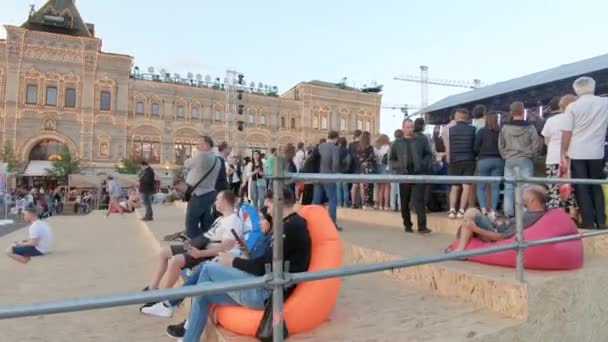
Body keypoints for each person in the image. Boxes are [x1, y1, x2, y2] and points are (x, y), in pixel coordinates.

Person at [168, 187, 311, 341]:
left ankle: (174, 304)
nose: (268, 212)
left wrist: (233, 261)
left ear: (279, 203)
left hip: (266, 292)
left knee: (209, 267)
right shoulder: (287, 225)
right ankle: (188, 336)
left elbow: (263, 268)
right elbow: (267, 263)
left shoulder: (289, 228)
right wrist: (245, 253)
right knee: (202, 291)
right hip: (263, 284)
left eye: (268, 206)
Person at [143, 190, 242, 295]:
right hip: (201, 246)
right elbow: (209, 236)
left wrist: (200, 253)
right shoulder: (221, 218)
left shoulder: (233, 221)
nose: (215, 202)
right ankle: (153, 287)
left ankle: (164, 296)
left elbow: (225, 247)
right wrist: (193, 243)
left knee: (175, 261)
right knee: (164, 252)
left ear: (224, 201)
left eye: (217, 199)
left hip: (208, 253)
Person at [561, 77, 608, 229]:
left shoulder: (572, 107)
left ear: (576, 90)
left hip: (577, 151)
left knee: (581, 187)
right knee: (596, 185)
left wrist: (563, 151)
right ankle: (601, 221)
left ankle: (587, 222)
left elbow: (567, 132)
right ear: (593, 87)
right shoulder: (605, 103)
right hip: (597, 151)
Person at [449, 185, 547, 252]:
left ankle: (460, 250)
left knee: (471, 213)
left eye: (526, 197)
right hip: (497, 227)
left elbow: (502, 237)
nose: (523, 198)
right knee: (471, 214)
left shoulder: (529, 217)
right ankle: (461, 246)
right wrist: (497, 221)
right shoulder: (533, 213)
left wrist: (475, 229)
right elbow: (510, 226)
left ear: (532, 199)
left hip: (496, 236)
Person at [499, 101, 542, 218]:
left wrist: (505, 155)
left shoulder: (505, 127)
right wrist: (532, 155)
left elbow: (501, 144)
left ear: (511, 112)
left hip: (509, 159)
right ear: (523, 111)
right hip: (525, 159)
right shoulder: (530, 127)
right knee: (526, 187)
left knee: (509, 187)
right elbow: (535, 143)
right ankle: (524, 212)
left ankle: (508, 212)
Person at [389, 119, 433, 234]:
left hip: (418, 174)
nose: (410, 129)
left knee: (420, 201)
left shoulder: (421, 140)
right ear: (403, 128)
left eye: (412, 127)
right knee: (404, 201)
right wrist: (399, 166)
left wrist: (423, 164)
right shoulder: (396, 143)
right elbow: (392, 160)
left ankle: (422, 227)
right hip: (404, 175)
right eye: (408, 127)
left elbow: (428, 154)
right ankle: (407, 225)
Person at [542, 95, 578, 219]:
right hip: (570, 157)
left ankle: (559, 216)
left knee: (554, 188)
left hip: (553, 157)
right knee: (571, 186)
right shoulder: (575, 119)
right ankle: (573, 213)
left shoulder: (551, 120)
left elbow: (546, 141)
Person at [183, 136, 221, 238]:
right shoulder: (218, 160)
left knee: (191, 223)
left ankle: (195, 246)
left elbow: (186, 164)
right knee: (207, 223)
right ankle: (206, 244)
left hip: (199, 194)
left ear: (207, 144)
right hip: (210, 193)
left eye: (199, 144)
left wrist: (194, 154)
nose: (197, 147)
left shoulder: (201, 156)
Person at [447, 108, 476, 219]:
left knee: (454, 187)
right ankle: (462, 211)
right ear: (466, 117)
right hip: (469, 160)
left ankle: (451, 210)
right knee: (466, 186)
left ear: (457, 117)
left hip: (455, 160)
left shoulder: (451, 130)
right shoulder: (473, 129)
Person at [474, 111, 504, 220]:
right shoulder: (500, 131)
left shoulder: (481, 132)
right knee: (495, 187)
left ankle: (483, 209)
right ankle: (493, 210)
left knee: (480, 186)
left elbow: (475, 148)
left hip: (483, 160)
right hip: (498, 160)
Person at [314, 131, 341, 229]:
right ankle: (332, 223)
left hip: (318, 176)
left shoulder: (320, 146)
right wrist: (335, 173)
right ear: (336, 138)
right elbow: (335, 164)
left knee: (316, 200)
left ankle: (313, 222)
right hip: (329, 176)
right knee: (332, 200)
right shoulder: (334, 148)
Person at [357, 131, 376, 209]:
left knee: (362, 185)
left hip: (361, 167)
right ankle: (368, 202)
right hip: (368, 167)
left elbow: (358, 158)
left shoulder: (358, 147)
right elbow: (372, 157)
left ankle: (363, 203)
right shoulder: (370, 147)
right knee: (369, 186)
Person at [373, 134, 391, 210]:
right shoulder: (387, 147)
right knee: (386, 187)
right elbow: (389, 159)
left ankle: (380, 204)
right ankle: (386, 205)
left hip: (378, 167)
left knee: (380, 187)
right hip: (386, 167)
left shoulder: (375, 147)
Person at [348, 130, 363, 208]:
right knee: (361, 185)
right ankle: (362, 203)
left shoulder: (351, 145)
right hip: (361, 166)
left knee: (354, 186)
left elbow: (349, 156)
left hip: (354, 166)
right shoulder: (362, 144)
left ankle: (353, 203)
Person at [336, 137, 351, 208]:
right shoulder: (347, 151)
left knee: (338, 188)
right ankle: (345, 204)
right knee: (345, 189)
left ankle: (339, 204)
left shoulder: (336, 150)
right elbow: (348, 161)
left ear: (339, 143)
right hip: (345, 172)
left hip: (337, 171)